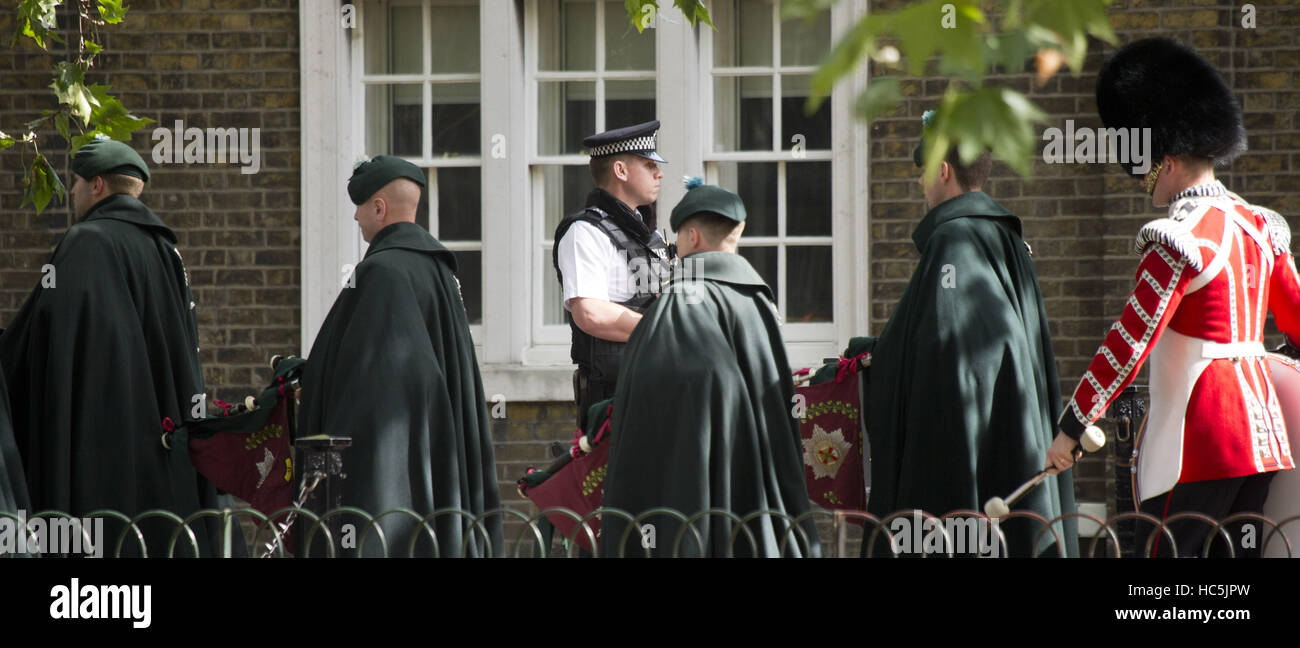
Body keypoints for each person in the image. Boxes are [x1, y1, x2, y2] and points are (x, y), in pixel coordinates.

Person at [1048, 38, 1300, 558]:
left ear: (1163, 152)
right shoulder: (1258, 227)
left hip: (1199, 442)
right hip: (1263, 439)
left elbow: (1129, 343)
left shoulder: (1181, 236)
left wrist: (1072, 427)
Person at [860, 111, 1078, 557]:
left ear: (943, 170)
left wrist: (875, 362)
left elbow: (946, 353)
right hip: (1011, 434)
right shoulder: (1005, 237)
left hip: (962, 448)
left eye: (924, 172)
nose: (922, 184)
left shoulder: (955, 239)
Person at [0, 136, 220, 557]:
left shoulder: (85, 242)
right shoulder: (167, 252)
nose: (75, 195)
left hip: (94, 451)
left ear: (97, 184)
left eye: (77, 185)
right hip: (160, 448)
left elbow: (40, 339)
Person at [599, 179, 821, 558]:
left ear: (693, 237)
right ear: (739, 232)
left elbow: (660, 404)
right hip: (754, 507)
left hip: (692, 508)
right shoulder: (759, 305)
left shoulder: (682, 299)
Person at [298, 155, 503, 557]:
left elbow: (374, 386)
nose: (356, 217)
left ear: (379, 207)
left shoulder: (383, 272)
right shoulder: (439, 271)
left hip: (395, 480)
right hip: (434, 461)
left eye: (360, 206)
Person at [552, 120, 672, 432]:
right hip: (615, 398)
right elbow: (590, 313)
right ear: (620, 170)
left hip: (660, 387)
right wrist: (666, 329)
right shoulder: (585, 232)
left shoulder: (647, 234)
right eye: (649, 165)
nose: (659, 173)